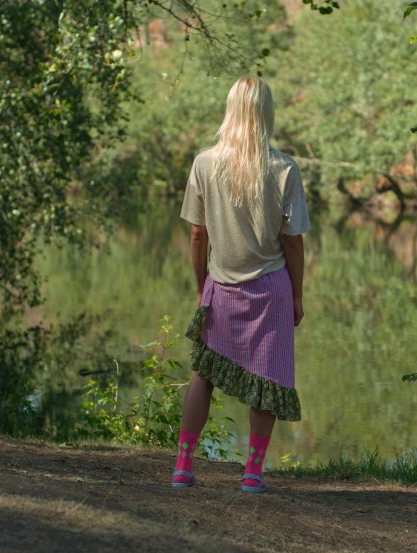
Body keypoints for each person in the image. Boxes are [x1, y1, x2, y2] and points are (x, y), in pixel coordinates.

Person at [171, 77, 309, 493]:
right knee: (266, 382)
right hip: (270, 290)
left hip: (221, 287)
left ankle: (182, 466)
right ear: (266, 112)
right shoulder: (283, 168)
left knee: (203, 375)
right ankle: (252, 474)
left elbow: (198, 235)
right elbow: (293, 242)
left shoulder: (205, 163)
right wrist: (298, 294)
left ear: (231, 109)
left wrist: (202, 286)